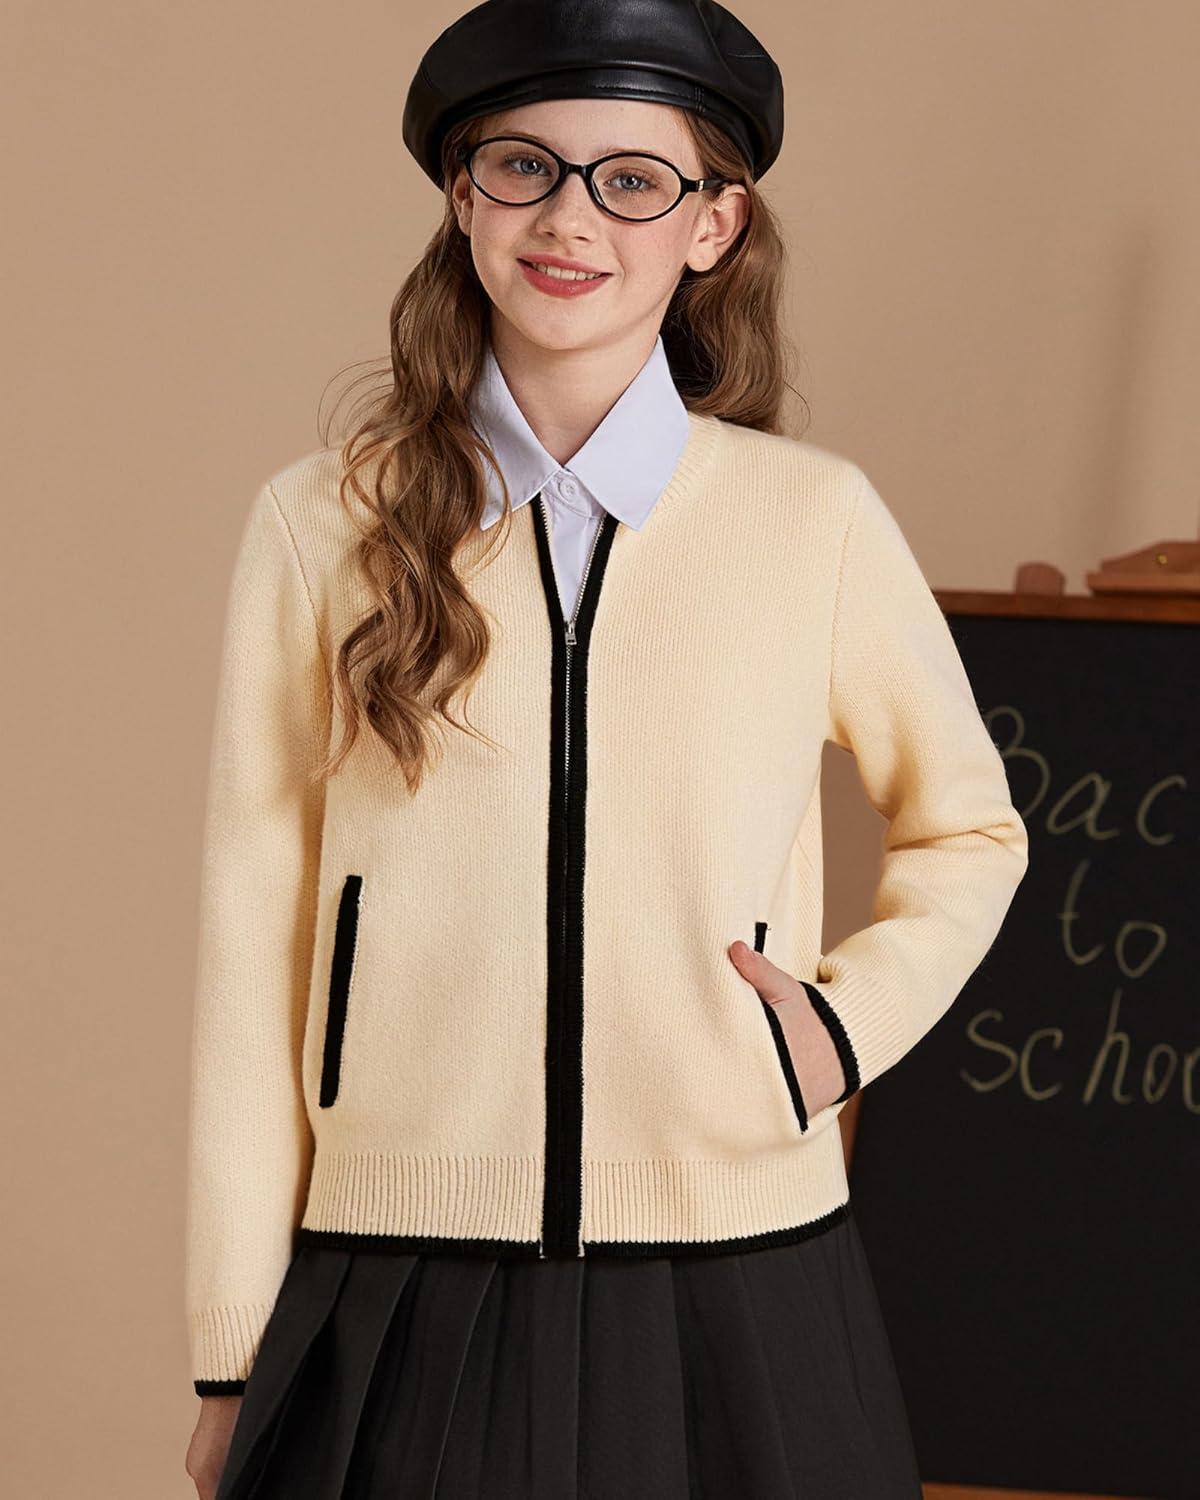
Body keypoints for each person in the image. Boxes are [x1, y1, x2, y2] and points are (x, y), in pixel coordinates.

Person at [183, 1, 1029, 1496]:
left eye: (633, 180)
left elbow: (971, 827)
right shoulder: (323, 525)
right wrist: (231, 1348)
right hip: (400, 1263)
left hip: (741, 1253)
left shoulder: (808, 521)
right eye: (525, 166)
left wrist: (838, 1037)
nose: (570, 218)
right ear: (463, 198)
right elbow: (254, 947)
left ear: (713, 225)